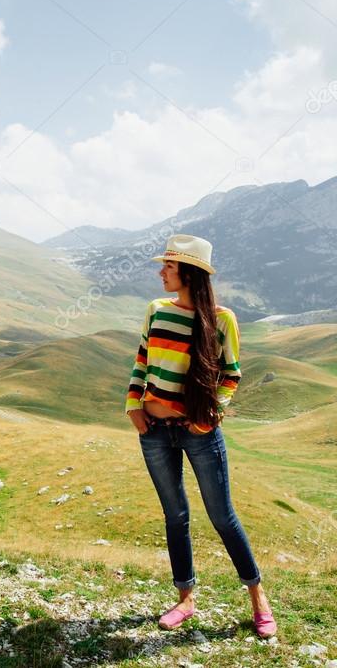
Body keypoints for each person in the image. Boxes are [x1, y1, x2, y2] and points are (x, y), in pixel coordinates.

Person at [125, 233, 277, 638]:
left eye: (169, 267)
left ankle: (258, 597)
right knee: (175, 517)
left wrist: (212, 416)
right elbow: (142, 360)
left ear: (189, 273)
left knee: (222, 516)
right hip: (154, 430)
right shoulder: (156, 310)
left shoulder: (222, 318)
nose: (161, 273)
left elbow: (231, 375)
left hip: (199, 431)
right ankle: (184, 599)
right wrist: (134, 407)